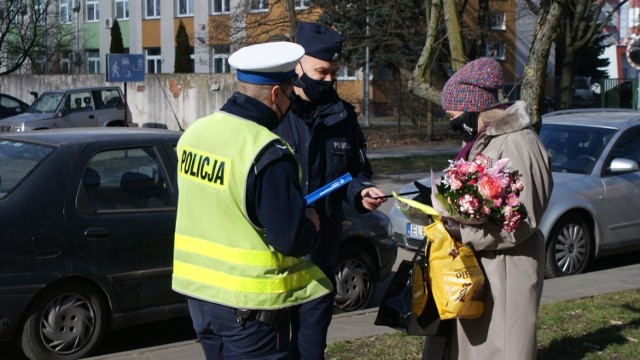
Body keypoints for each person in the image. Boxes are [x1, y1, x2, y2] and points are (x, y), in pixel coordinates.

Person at [172, 41, 333, 360]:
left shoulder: (195, 133)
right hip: (249, 312)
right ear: (276, 94)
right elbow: (288, 238)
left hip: (200, 299)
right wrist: (311, 225)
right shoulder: (267, 152)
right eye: (289, 93)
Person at [423, 57, 553, 360]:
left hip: (508, 270)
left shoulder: (518, 143)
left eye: (454, 114)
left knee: (503, 349)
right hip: (486, 267)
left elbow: (522, 220)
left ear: (475, 107)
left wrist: (462, 231)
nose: (452, 121)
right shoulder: (487, 141)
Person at [275, 22, 386, 359]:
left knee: (311, 346)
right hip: (277, 251)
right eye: (320, 71)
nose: (328, 79)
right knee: (276, 346)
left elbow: (355, 172)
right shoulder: (274, 112)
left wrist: (361, 192)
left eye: (333, 72)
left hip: (322, 251)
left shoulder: (343, 116)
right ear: (298, 65)